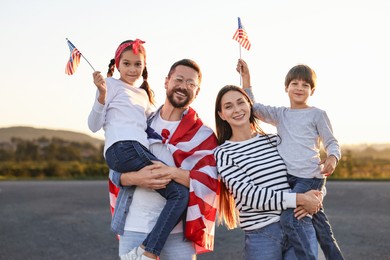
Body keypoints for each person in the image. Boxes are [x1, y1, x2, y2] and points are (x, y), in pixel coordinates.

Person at [88, 40, 191, 260]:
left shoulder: (143, 95)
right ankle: (149, 252)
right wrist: (101, 96)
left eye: (138, 64)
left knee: (177, 194)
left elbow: (152, 123)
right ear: (117, 65)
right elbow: (93, 125)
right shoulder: (110, 85)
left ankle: (148, 251)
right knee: (180, 194)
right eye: (126, 63)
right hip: (124, 147)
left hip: (133, 148)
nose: (133, 69)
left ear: (144, 66)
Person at [108, 59, 219, 260]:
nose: (183, 86)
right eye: (179, 79)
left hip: (178, 233)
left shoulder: (203, 136)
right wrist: (135, 179)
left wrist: (173, 173)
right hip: (134, 225)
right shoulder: (140, 122)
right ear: (166, 81)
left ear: (197, 92)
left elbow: (211, 182)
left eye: (191, 83)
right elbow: (115, 169)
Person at [237, 59, 344, 260]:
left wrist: (332, 157)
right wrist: (247, 79)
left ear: (312, 90)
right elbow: (253, 108)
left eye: (305, 85)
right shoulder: (281, 114)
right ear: (286, 87)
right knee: (321, 227)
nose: (299, 88)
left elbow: (332, 142)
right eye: (295, 83)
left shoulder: (317, 115)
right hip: (289, 179)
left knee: (290, 218)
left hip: (309, 177)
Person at [214, 85, 323, 260]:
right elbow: (250, 196)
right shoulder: (224, 153)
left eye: (241, 102)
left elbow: (305, 171)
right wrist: (301, 199)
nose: (237, 110)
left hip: (298, 223)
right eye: (228, 106)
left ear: (250, 105)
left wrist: (317, 196)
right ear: (221, 115)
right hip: (262, 235)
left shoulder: (274, 140)